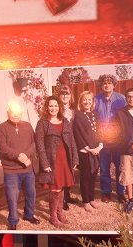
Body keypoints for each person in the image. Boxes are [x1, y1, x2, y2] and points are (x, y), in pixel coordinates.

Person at [35, 96, 79, 227]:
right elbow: (40, 145)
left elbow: (72, 141)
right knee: (55, 189)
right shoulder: (42, 123)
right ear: (46, 107)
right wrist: (45, 163)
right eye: (50, 106)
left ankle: (60, 213)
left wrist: (75, 158)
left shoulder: (65, 121)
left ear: (59, 107)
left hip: (65, 160)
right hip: (52, 162)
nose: (53, 108)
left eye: (55, 106)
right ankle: (53, 217)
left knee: (62, 187)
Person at [0, 101, 40, 230]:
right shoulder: (2, 127)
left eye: (18, 112)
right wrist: (19, 156)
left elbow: (34, 143)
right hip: (11, 170)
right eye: (12, 112)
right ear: (8, 113)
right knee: (12, 196)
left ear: (21, 113)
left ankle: (29, 215)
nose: (15, 115)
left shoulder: (27, 126)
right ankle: (13, 220)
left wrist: (26, 155)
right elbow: (3, 147)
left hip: (27, 169)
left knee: (31, 193)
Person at [94, 74, 127, 203]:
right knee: (104, 167)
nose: (107, 85)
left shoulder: (121, 99)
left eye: (109, 83)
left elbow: (126, 117)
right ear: (101, 86)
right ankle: (106, 192)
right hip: (103, 140)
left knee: (120, 166)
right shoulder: (96, 100)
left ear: (114, 85)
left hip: (118, 140)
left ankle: (121, 192)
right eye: (104, 83)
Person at [73, 90, 103, 212]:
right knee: (85, 176)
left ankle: (91, 198)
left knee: (93, 176)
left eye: (89, 99)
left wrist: (99, 147)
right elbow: (79, 134)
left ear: (92, 101)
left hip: (96, 151)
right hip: (85, 152)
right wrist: (90, 149)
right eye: (84, 99)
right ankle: (85, 201)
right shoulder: (78, 115)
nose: (87, 102)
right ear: (81, 101)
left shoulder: (95, 114)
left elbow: (100, 131)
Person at [58, 84, 78, 210]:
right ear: (59, 96)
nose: (65, 96)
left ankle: (67, 194)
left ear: (70, 96)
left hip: (72, 143)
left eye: (67, 94)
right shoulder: (57, 109)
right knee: (62, 171)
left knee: (70, 170)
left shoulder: (74, 111)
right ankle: (62, 199)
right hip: (61, 143)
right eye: (62, 94)